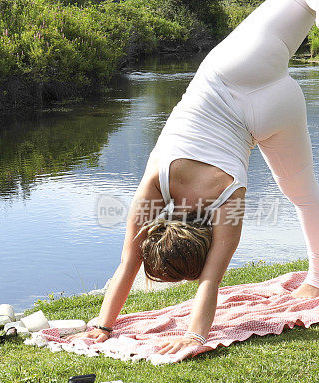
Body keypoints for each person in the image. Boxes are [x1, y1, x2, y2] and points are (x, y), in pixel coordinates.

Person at [72, 0, 319, 353]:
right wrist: (102, 323)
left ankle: (317, 279)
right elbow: (129, 262)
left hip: (271, 112)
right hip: (233, 72)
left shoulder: (227, 201)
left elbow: (210, 282)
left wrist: (195, 335)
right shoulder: (158, 181)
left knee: (304, 196)